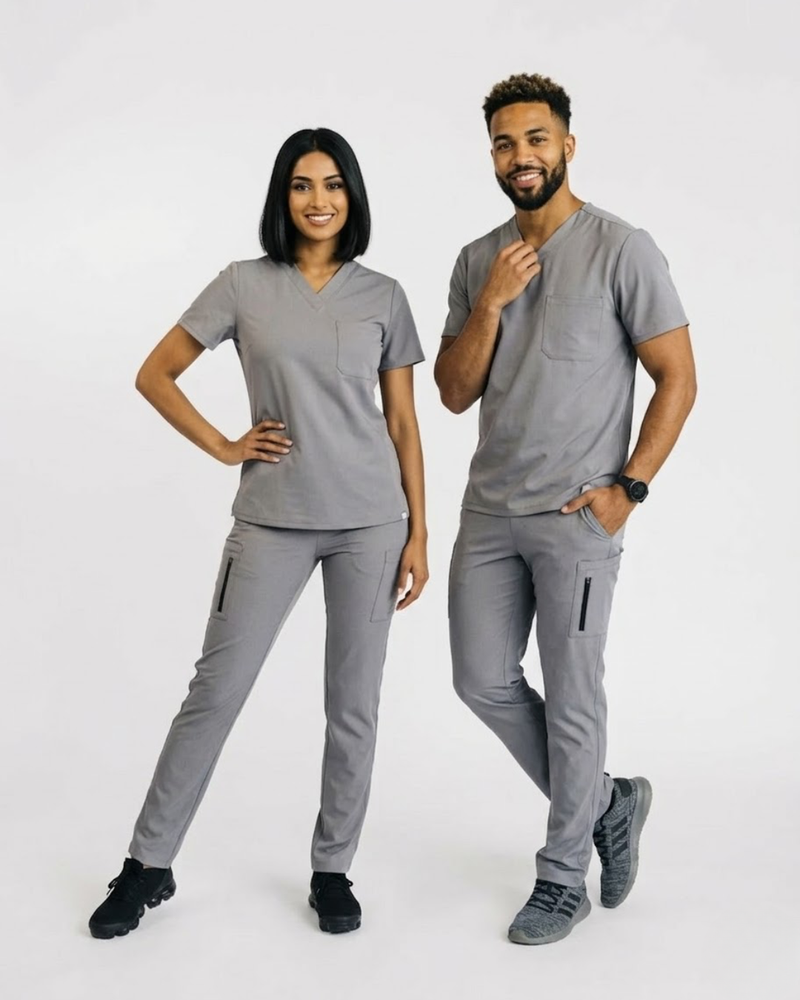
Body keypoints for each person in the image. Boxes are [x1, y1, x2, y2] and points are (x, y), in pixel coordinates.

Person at [88, 128, 428, 939]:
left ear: (353, 196)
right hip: (272, 519)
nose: (319, 200)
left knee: (354, 705)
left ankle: (333, 869)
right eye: (302, 185)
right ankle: (147, 864)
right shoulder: (243, 284)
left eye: (334, 184)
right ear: (282, 198)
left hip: (371, 524)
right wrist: (222, 445)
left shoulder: (383, 295)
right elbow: (155, 373)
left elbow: (403, 422)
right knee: (215, 692)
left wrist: (419, 531)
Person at [435, 73, 696, 945]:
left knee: (575, 692)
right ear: (493, 156)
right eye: (505, 143)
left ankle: (561, 879)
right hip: (489, 512)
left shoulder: (623, 248)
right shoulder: (477, 260)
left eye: (536, 139)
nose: (521, 156)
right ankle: (610, 803)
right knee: (481, 679)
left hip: (578, 517)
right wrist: (491, 303)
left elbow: (677, 378)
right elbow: (453, 393)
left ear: (567, 146)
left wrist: (631, 488)